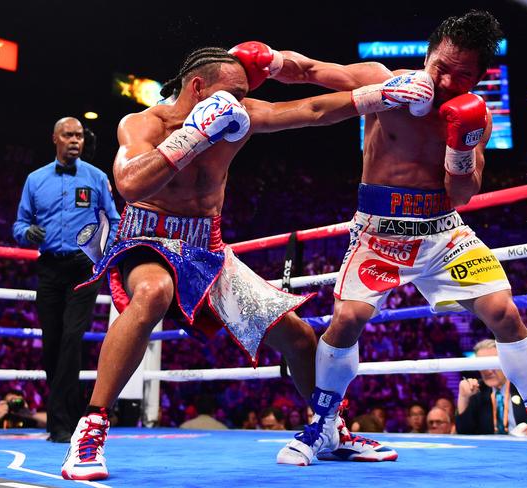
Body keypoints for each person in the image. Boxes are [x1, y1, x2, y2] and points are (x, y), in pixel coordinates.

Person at [60, 46, 430, 480]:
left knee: (298, 337)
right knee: (153, 292)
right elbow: (128, 182)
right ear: (197, 86)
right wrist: (193, 135)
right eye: (232, 92)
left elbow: (311, 109)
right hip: (147, 236)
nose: (238, 102)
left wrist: (381, 95)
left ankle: (329, 428)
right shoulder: (143, 124)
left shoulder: (242, 116)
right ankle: (91, 430)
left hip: (207, 247)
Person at [270, 9, 527, 466]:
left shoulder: (476, 118)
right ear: (428, 56)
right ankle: (326, 426)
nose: (446, 81)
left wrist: (460, 148)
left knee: (504, 313)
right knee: (346, 320)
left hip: (443, 232)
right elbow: (307, 72)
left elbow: (463, 194)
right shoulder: (381, 80)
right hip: (379, 233)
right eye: (440, 67)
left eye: (461, 75)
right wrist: (263, 62)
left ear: (479, 77)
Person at [13, 117, 120, 443]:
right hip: (48, 268)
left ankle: (60, 426)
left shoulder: (97, 177)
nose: (75, 140)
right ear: (55, 139)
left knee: (73, 338)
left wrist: (104, 252)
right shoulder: (35, 180)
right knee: (53, 344)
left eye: (78, 136)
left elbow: (115, 221)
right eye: (68, 135)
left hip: (82, 268)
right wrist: (27, 233)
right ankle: (67, 417)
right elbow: (19, 225)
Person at [455, 339, 527, 436]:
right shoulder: (475, 390)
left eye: (492, 364)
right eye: (483, 365)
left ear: (506, 363)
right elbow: (464, 433)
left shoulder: (525, 386)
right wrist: (463, 397)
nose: (488, 371)